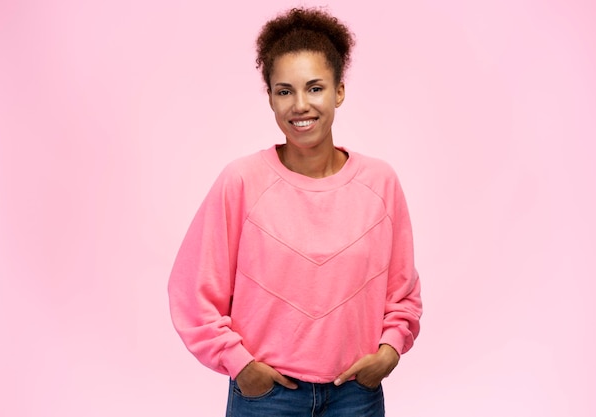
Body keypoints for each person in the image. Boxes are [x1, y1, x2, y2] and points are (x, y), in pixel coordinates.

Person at [168, 7, 422, 416]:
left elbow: (402, 291)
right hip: (266, 398)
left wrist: (389, 351)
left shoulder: (380, 183)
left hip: (356, 395)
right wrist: (241, 366)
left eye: (315, 88)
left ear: (339, 91)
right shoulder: (242, 181)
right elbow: (192, 291)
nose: (300, 105)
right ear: (270, 97)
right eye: (285, 91)